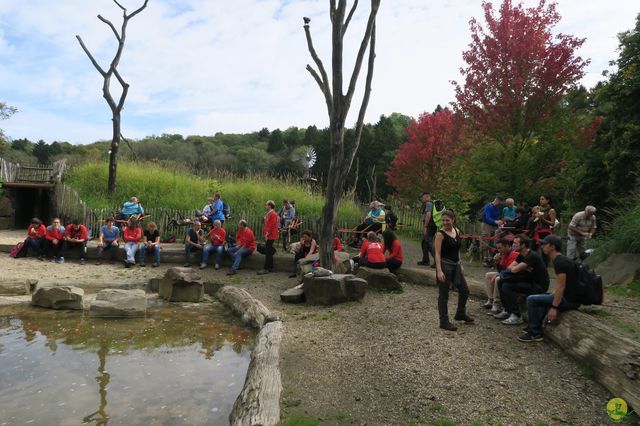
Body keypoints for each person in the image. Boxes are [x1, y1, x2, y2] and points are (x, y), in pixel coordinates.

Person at [519, 235, 581, 342]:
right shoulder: (560, 259)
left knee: (531, 299)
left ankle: (535, 333)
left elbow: (561, 286)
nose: (542, 246)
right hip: (570, 296)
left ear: (552, 247)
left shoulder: (560, 262)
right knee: (541, 297)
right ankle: (535, 325)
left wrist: (554, 307)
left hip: (571, 300)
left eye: (544, 244)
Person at [494, 234, 549, 325]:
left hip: (538, 285)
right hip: (528, 280)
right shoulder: (521, 255)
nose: (513, 245)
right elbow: (510, 268)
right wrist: (523, 268)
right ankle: (507, 310)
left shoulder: (532, 255)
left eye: (515, 243)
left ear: (523, 245)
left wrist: (518, 268)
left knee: (507, 286)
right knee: (501, 280)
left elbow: (514, 269)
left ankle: (516, 315)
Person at [434, 210, 473, 331]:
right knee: (444, 294)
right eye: (443, 220)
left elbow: (457, 250)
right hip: (445, 265)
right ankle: (444, 321)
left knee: (465, 290)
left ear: (453, 220)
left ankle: (460, 313)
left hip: (455, 265)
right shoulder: (440, 234)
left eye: (447, 220)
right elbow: (437, 253)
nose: (445, 222)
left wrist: (460, 263)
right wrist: (439, 271)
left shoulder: (456, 231)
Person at [483, 238, 519, 315]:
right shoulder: (503, 254)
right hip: (505, 273)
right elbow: (501, 269)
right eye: (497, 248)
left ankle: (497, 304)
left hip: (514, 275)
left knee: (498, 278)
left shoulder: (513, 254)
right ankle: (490, 299)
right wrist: (497, 261)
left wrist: (498, 274)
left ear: (507, 246)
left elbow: (509, 270)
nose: (498, 250)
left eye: (500, 248)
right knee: (488, 275)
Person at [481, 195, 505, 266]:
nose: (500, 203)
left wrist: (500, 221)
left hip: (494, 226)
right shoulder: (488, 206)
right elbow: (488, 217)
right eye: (499, 201)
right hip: (487, 225)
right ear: (496, 199)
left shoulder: (497, 208)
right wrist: (496, 221)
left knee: (492, 242)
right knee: (486, 241)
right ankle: (485, 259)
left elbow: (497, 216)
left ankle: (491, 258)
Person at [534, 195, 557, 266]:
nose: (541, 201)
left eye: (543, 199)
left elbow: (552, 223)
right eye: (540, 199)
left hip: (545, 232)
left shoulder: (551, 210)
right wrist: (535, 213)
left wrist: (543, 219)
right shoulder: (538, 209)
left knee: (544, 252)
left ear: (547, 200)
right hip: (537, 231)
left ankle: (544, 267)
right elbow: (533, 220)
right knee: (532, 249)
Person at [258, 200, 279, 275]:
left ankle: (267, 268)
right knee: (268, 251)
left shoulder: (272, 214)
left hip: (270, 235)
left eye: (266, 205)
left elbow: (272, 225)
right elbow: (268, 223)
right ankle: (270, 267)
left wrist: (267, 234)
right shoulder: (270, 214)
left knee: (268, 252)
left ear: (270, 206)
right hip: (269, 234)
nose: (265, 206)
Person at [418, 192, 436, 267]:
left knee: (429, 243)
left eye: (423, 197)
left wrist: (425, 226)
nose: (422, 199)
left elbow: (428, 214)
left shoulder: (428, 204)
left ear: (427, 197)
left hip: (430, 226)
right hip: (432, 225)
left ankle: (437, 262)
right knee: (424, 242)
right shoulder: (431, 203)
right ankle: (425, 260)